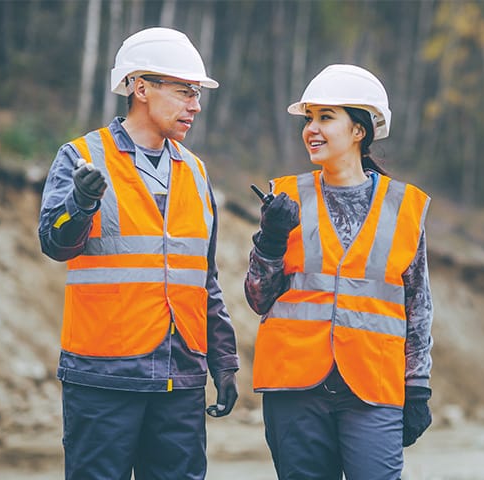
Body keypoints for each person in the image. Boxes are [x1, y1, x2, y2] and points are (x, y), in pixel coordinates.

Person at [38, 27, 239, 480]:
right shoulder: (82, 157)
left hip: (182, 377)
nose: (195, 104)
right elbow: (55, 243)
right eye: (185, 91)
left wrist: (223, 361)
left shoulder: (195, 171)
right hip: (104, 376)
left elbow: (203, 278)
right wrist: (81, 203)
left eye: (197, 94)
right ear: (140, 87)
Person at [244, 64, 434, 479]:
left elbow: (417, 303)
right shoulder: (285, 198)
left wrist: (417, 385)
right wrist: (272, 240)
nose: (311, 128)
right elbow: (258, 297)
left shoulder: (403, 208)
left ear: (359, 130)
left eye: (325, 117)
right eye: (308, 118)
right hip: (296, 386)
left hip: (372, 385)